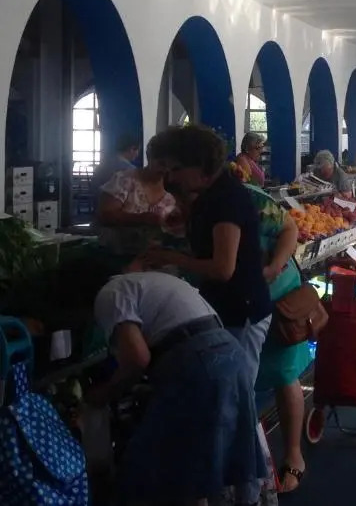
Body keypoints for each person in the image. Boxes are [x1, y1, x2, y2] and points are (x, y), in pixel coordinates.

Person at [139, 125, 273, 506]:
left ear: (199, 167)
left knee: (237, 406)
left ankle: (250, 491)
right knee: (230, 404)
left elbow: (222, 268)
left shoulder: (227, 199)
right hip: (226, 310)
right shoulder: (211, 196)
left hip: (241, 312)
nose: (171, 178)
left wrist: (171, 258)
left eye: (175, 169)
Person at [86, 269, 265, 505]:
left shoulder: (108, 295)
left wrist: (105, 393)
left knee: (176, 466)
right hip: (230, 352)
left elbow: (137, 358)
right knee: (235, 452)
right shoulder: (146, 281)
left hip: (194, 362)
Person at [246, 184, 311, 494]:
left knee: (284, 372)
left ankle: (294, 454)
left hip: (277, 293)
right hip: (233, 300)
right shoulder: (177, 203)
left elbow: (290, 228)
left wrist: (273, 267)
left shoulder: (249, 196)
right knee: (240, 380)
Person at [97, 140, 181, 257]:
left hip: (155, 256)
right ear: (149, 158)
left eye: (172, 167)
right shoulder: (125, 179)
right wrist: (142, 218)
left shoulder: (175, 188)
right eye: (161, 164)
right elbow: (105, 215)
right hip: (116, 253)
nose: (166, 170)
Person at [92, 133, 140, 205]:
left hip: (99, 206)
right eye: (137, 150)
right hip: (120, 208)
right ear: (131, 149)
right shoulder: (130, 170)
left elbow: (94, 187)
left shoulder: (102, 164)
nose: (137, 154)